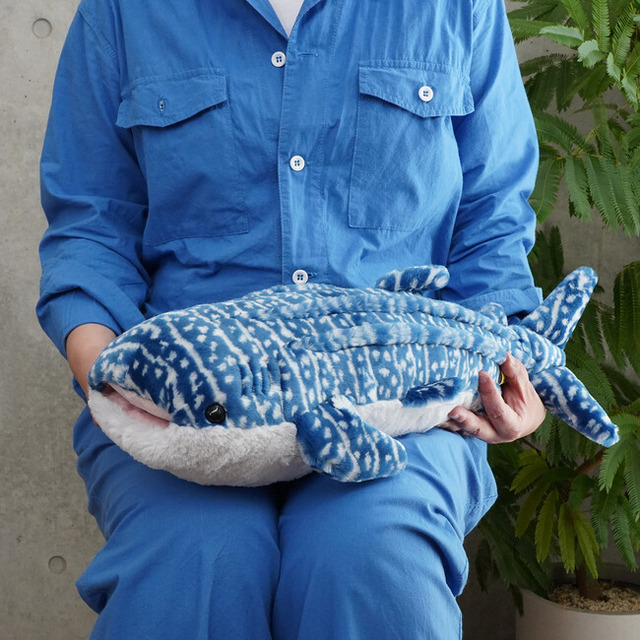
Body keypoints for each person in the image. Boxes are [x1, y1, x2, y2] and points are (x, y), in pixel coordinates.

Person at [37, 0, 546, 638]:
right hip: (181, 409)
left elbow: (492, 223)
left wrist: (511, 379)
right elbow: (91, 228)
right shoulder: (123, 11)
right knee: (195, 562)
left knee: (372, 558)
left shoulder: (457, 9)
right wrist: (112, 384)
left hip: (399, 399)